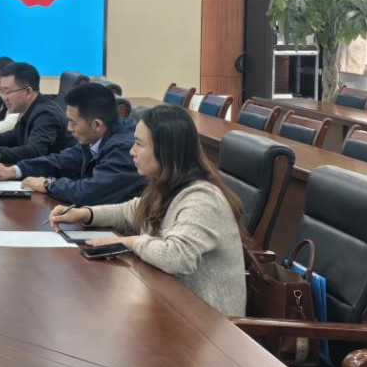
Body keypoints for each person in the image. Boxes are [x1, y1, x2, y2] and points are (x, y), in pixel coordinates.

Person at [50, 105, 247, 317]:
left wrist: (130, 242)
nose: (131, 151)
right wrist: (85, 213)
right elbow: (128, 211)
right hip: (171, 305)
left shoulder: (202, 199)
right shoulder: (166, 184)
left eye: (139, 144)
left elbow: (175, 256)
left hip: (209, 324)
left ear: (166, 151)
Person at [0, 83, 145, 205]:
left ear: (96, 125)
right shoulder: (95, 136)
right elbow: (62, 160)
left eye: (73, 123)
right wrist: (14, 170)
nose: (69, 128)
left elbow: (91, 192)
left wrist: (49, 185)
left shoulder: (124, 148)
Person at [0, 62, 71, 163]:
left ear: (28, 92)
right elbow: (15, 135)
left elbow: (35, 152)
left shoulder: (46, 114)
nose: (4, 98)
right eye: (2, 91)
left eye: (8, 91)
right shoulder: (29, 107)